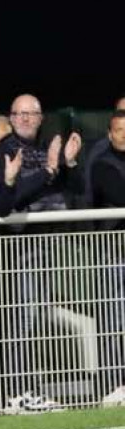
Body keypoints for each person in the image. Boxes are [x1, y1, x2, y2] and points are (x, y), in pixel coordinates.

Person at [0, 93, 82, 413]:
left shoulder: (46, 149)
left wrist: (67, 164)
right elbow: (7, 199)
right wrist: (49, 170)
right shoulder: (4, 150)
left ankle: (28, 387)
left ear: (41, 118)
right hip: (16, 249)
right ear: (11, 118)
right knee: (19, 320)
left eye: (33, 113)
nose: (26, 118)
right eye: (20, 114)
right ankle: (16, 392)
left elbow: (76, 191)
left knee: (33, 319)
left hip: (44, 247)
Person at [88, 109, 125, 406]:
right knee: (113, 319)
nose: (124, 134)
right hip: (113, 252)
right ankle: (113, 385)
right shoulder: (102, 164)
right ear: (110, 134)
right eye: (118, 129)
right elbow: (118, 193)